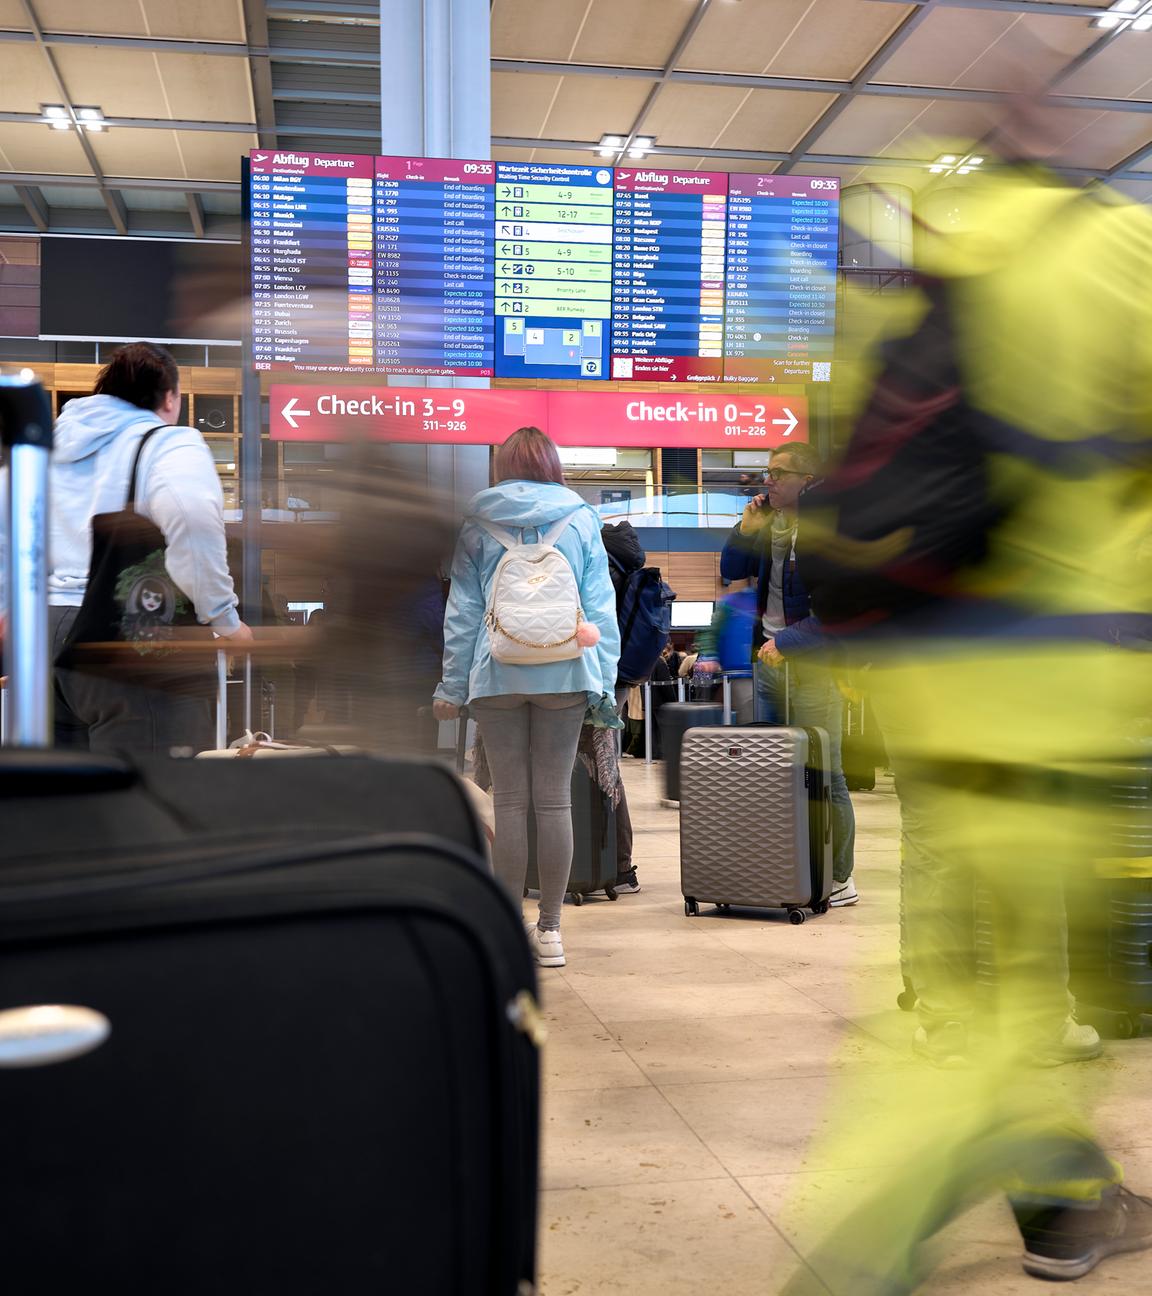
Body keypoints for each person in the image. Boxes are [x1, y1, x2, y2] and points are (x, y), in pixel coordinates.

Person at [777, 135, 1152, 1294]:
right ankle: (886, 1247)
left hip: (944, 690)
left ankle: (1064, 1192)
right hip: (1062, 696)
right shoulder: (1114, 255)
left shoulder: (923, 267)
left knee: (996, 988)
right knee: (1012, 1008)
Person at [433, 427, 620, 969]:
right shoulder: (581, 519)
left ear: (502, 466)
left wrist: (451, 685)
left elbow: (462, 613)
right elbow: (600, 606)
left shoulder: (477, 522)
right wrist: (602, 681)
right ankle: (552, 931)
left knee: (510, 802)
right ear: (553, 465)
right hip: (564, 673)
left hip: (497, 674)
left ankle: (509, 926)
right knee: (554, 800)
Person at [48, 342, 251, 754]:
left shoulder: (47, 446)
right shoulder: (168, 443)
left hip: (43, 637)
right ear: (170, 398)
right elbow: (193, 521)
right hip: (130, 634)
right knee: (153, 797)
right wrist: (225, 620)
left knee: (64, 802)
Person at [716, 445, 857, 907]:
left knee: (825, 771)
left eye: (778, 473)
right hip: (769, 663)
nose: (768, 481)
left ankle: (839, 877)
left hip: (814, 667)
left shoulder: (828, 529)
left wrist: (788, 643)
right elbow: (729, 571)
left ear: (807, 480)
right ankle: (787, 867)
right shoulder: (770, 525)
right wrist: (744, 529)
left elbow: (838, 610)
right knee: (776, 773)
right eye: (767, 472)